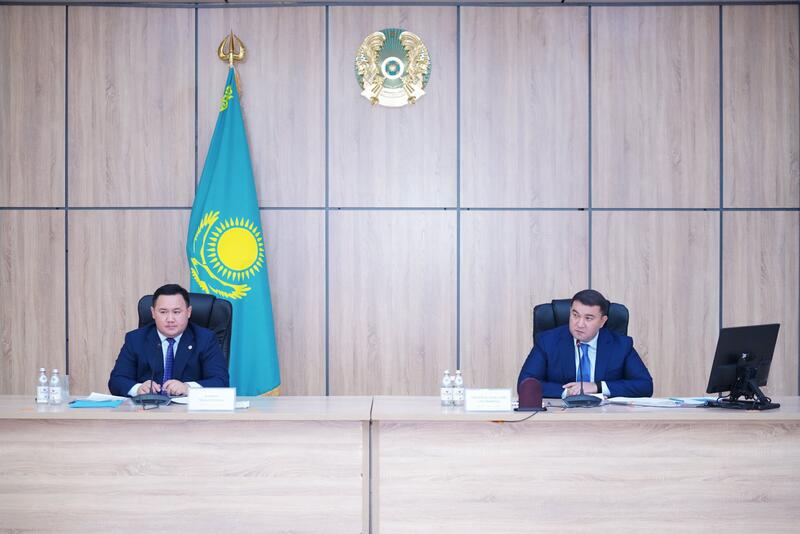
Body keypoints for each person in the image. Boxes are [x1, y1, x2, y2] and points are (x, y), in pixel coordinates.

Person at [518, 289, 653, 399]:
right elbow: (525, 384)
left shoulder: (621, 345)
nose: (580, 324)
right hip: (561, 416)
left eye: (588, 318)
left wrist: (597, 387)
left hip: (605, 417)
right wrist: (568, 392)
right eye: (575, 315)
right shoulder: (547, 341)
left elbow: (645, 385)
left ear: (602, 321)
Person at [108, 284, 229, 397]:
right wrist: (138, 388)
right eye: (163, 312)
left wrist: (188, 388)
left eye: (176, 312)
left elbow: (220, 381)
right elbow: (117, 380)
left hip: (187, 410)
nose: (170, 319)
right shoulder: (135, 339)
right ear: (153, 313)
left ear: (188, 312)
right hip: (148, 409)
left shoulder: (205, 339)